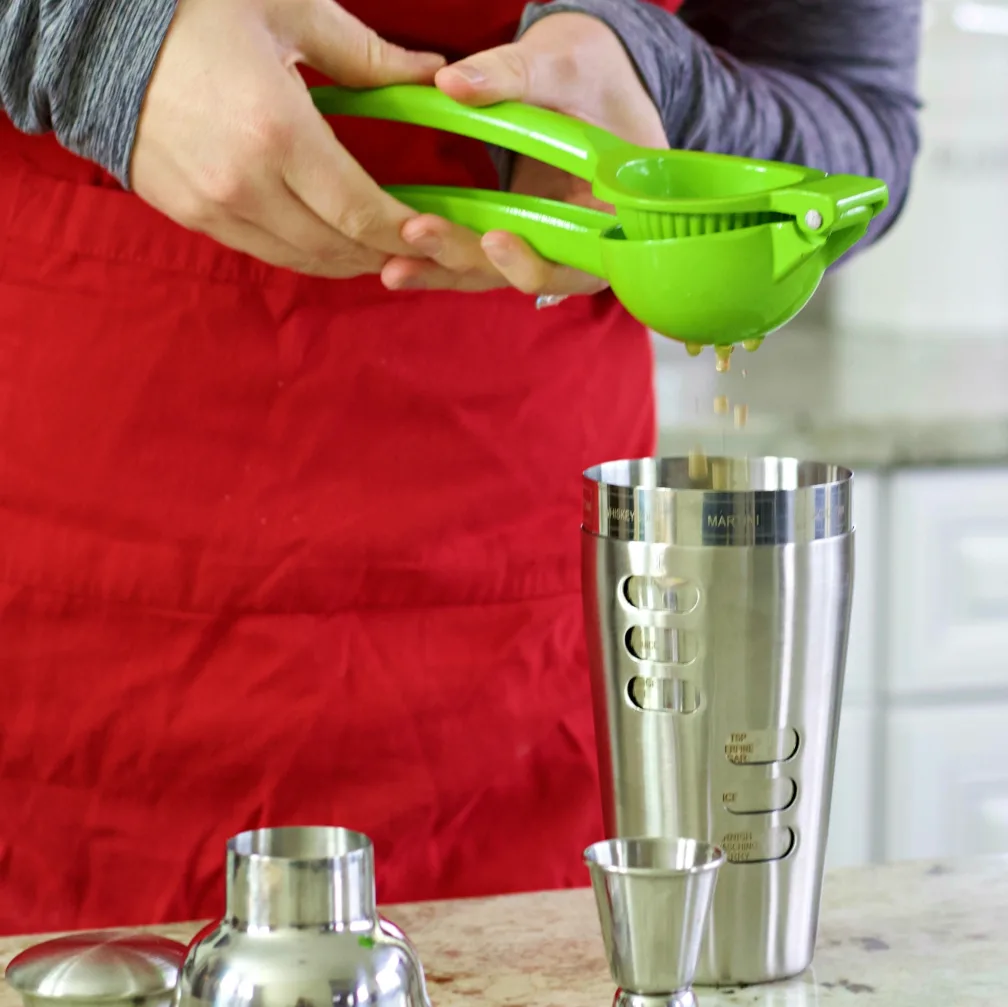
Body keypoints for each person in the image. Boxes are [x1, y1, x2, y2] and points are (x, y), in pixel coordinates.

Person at [0, 0, 920, 934]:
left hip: (525, 642)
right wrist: (104, 35)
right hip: (53, 613)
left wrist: (652, 79)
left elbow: (857, 124)